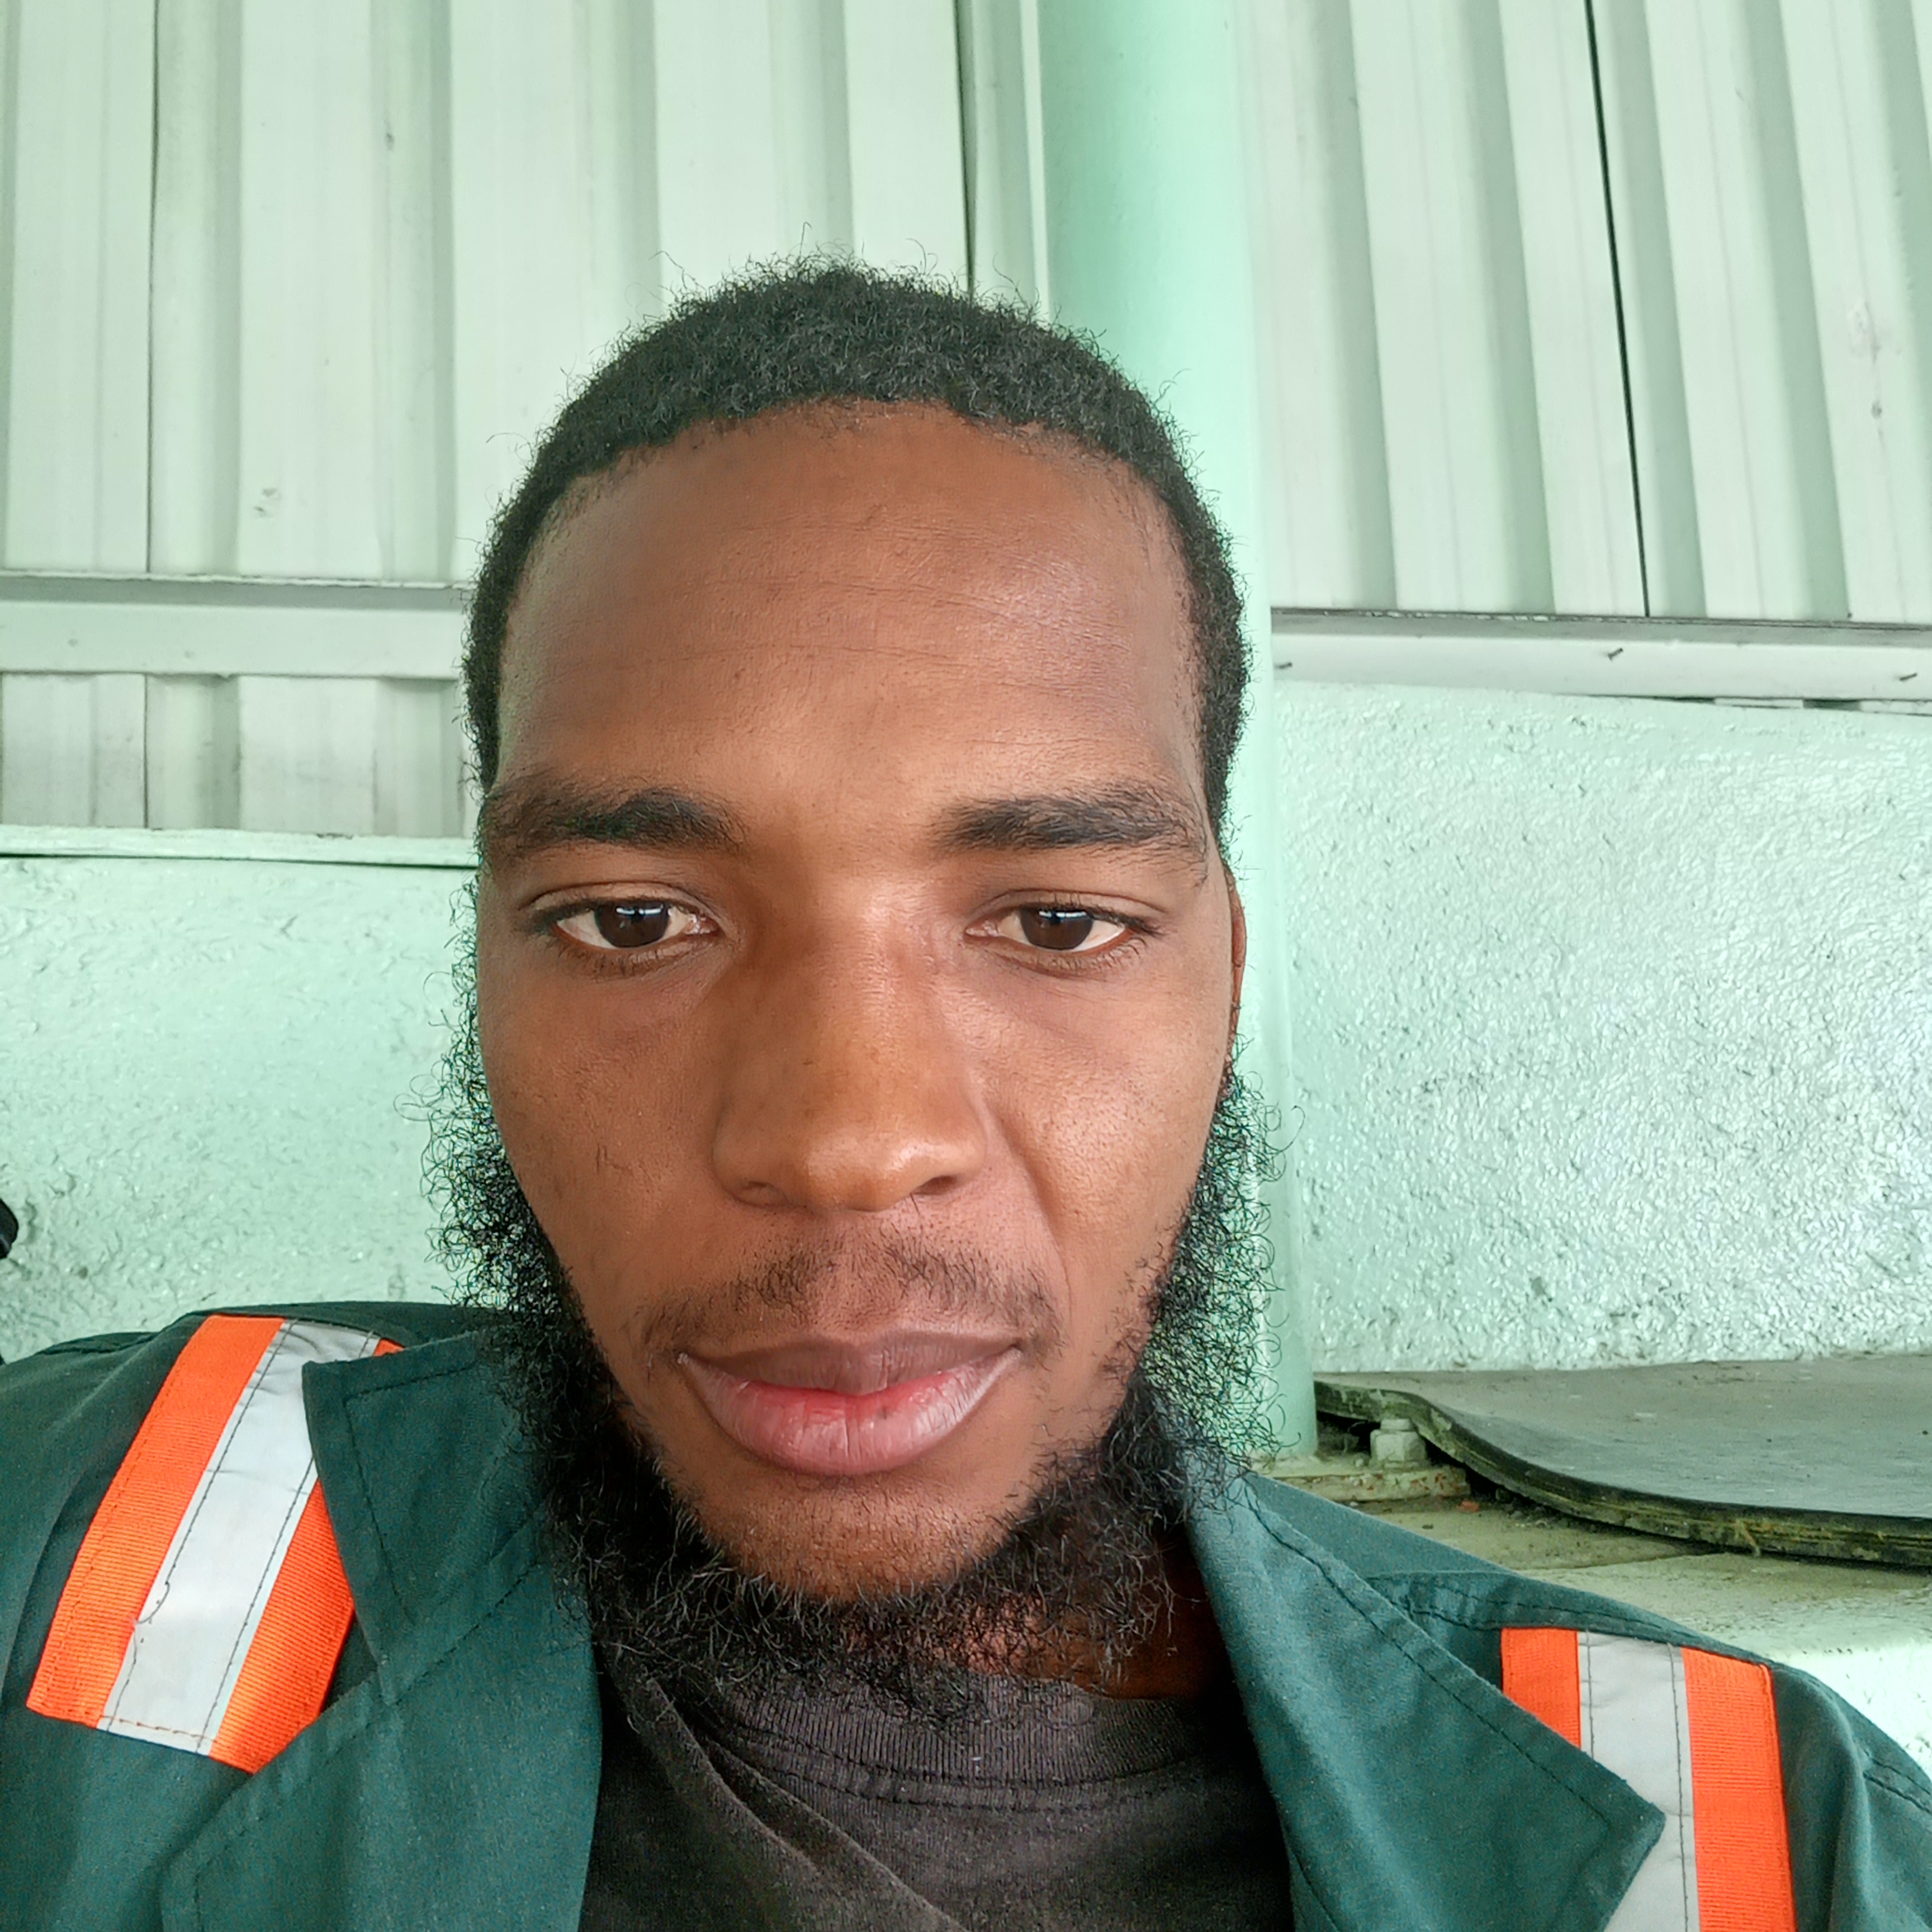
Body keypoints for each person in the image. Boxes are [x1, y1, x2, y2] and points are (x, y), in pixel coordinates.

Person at [1, 265, 1925, 1932]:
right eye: (637, 919)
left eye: (1059, 922)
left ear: (1224, 983)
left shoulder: (1769, 1844)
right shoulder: (73, 1531)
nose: (847, 1144)